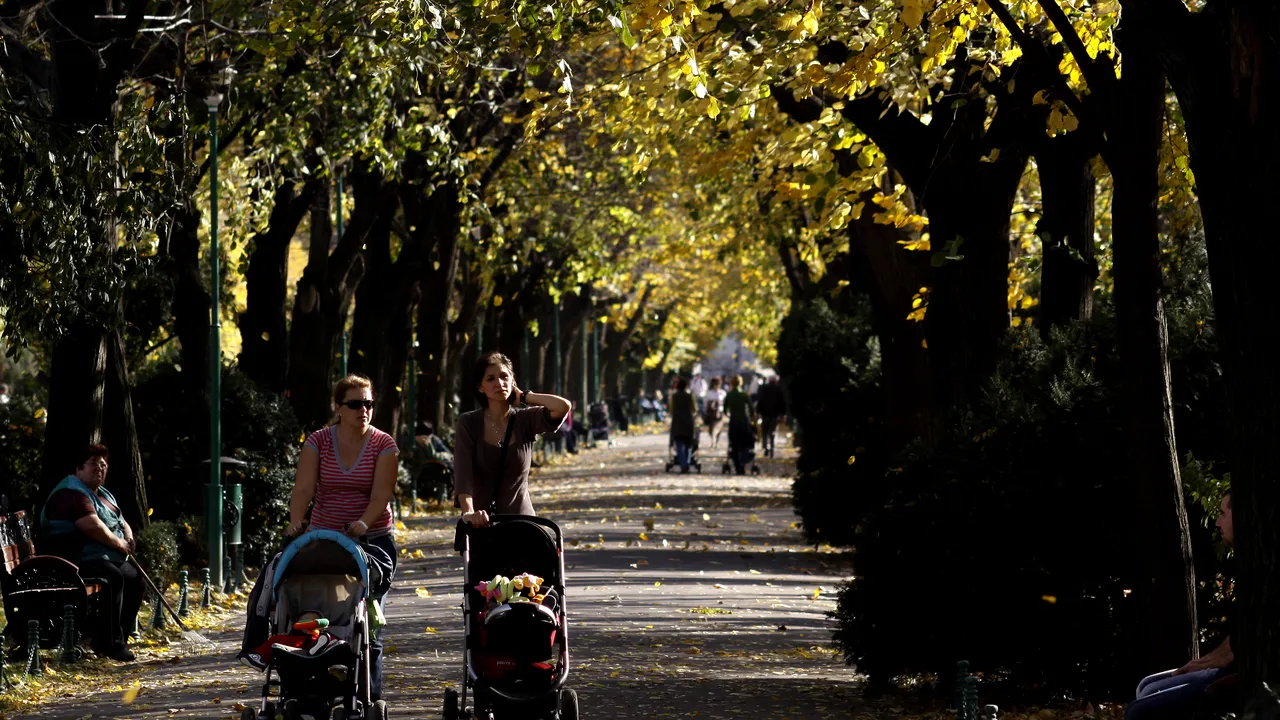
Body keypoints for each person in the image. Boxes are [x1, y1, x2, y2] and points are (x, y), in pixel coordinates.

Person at [288, 374, 400, 700]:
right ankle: (311, 687)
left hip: (371, 541)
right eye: (355, 404)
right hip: (323, 539)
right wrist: (297, 522)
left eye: (368, 403)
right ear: (339, 408)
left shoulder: (383, 444)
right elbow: (304, 488)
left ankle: (370, 696)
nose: (363, 410)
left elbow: (381, 496)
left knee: (369, 618)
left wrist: (364, 523)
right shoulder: (318, 441)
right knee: (317, 612)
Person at [1126, 490, 1236, 720]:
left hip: (1237, 678)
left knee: (1140, 710)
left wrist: (1205, 666)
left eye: (1222, 513)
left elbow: (1231, 655)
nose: (1216, 522)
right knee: (1146, 686)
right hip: (1228, 671)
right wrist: (1200, 663)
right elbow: (1232, 643)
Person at [39, 444, 142, 662]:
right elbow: (93, 527)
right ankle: (108, 645)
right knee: (112, 578)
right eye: (94, 464)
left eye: (103, 465)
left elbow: (121, 521)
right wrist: (119, 544)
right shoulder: (71, 493)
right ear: (78, 469)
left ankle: (118, 637)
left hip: (98, 556)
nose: (100, 468)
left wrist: (129, 538)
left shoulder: (103, 493)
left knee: (135, 578)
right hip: (72, 558)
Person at [454, 351, 572, 527]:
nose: (499, 383)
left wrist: (525, 396)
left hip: (523, 524)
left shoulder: (525, 420)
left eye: (504, 376)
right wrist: (469, 513)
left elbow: (563, 407)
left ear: (512, 381)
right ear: (481, 387)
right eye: (491, 379)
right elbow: (464, 476)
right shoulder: (469, 423)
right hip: (484, 524)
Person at [723, 375, 756, 474]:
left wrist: (729, 415)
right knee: (745, 443)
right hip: (744, 422)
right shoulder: (744, 395)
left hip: (733, 422)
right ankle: (743, 462)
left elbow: (725, 410)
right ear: (740, 383)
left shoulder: (729, 395)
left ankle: (737, 464)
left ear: (732, 383)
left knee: (734, 444)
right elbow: (751, 409)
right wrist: (751, 418)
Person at [670, 377, 697, 473]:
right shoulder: (690, 396)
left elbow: (671, 409)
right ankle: (687, 463)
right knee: (689, 445)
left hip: (677, 422)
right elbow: (694, 409)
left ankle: (683, 464)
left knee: (680, 445)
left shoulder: (674, 396)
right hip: (688, 422)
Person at [755, 377, 787, 458]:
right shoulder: (778, 389)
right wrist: (783, 414)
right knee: (772, 432)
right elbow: (782, 402)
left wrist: (758, 412)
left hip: (765, 413)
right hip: (774, 414)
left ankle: (765, 447)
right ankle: (772, 448)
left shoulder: (764, 388)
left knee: (764, 431)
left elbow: (760, 400)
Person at [703, 377, 726, 448]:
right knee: (711, 428)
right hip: (712, 413)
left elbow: (725, 403)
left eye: (718, 384)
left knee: (719, 428)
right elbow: (706, 403)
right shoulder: (709, 393)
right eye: (715, 384)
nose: (716, 386)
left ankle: (716, 441)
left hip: (720, 413)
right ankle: (713, 440)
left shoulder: (723, 393)